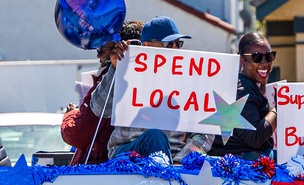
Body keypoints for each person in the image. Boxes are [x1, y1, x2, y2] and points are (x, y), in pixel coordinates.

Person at [91, 16, 214, 162]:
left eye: (178, 43)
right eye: (169, 44)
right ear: (148, 45)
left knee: (157, 139)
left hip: (173, 159)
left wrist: (180, 161)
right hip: (128, 151)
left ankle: (165, 171)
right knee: (154, 137)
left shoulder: (189, 81)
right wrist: (115, 69)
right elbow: (99, 109)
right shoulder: (128, 70)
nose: (175, 48)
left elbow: (205, 131)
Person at [62, 19, 144, 165]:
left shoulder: (110, 82)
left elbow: (76, 134)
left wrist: (71, 114)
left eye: (101, 49)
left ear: (119, 49)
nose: (98, 56)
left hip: (101, 172)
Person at [208, 33, 277, 159]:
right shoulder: (244, 89)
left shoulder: (241, 83)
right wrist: (278, 109)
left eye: (269, 56)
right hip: (241, 166)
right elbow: (254, 138)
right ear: (242, 59)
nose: (265, 62)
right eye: (257, 57)